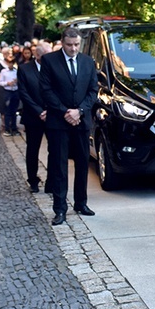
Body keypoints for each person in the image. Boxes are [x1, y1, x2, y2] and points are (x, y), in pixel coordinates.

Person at [40, 27, 98, 226]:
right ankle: (60, 209)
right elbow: (46, 90)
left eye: (76, 45)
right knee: (59, 166)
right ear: (62, 43)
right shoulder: (49, 61)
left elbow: (93, 91)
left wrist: (79, 111)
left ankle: (81, 203)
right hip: (58, 122)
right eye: (69, 45)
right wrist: (65, 111)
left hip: (81, 122)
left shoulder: (88, 62)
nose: (73, 49)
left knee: (83, 163)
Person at [19, 42, 53, 193]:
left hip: (53, 115)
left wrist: (51, 110)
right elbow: (24, 93)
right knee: (33, 149)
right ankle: (32, 180)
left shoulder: (55, 68)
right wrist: (39, 111)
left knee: (55, 149)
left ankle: (51, 182)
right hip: (33, 116)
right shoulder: (25, 69)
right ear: (37, 55)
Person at [0, 53, 20, 136]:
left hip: (15, 91)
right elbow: (0, 82)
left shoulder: (16, 71)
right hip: (7, 92)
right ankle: (7, 128)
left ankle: (14, 128)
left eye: (12, 62)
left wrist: (17, 81)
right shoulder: (3, 71)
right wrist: (7, 83)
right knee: (7, 111)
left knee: (14, 111)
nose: (11, 64)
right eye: (9, 62)